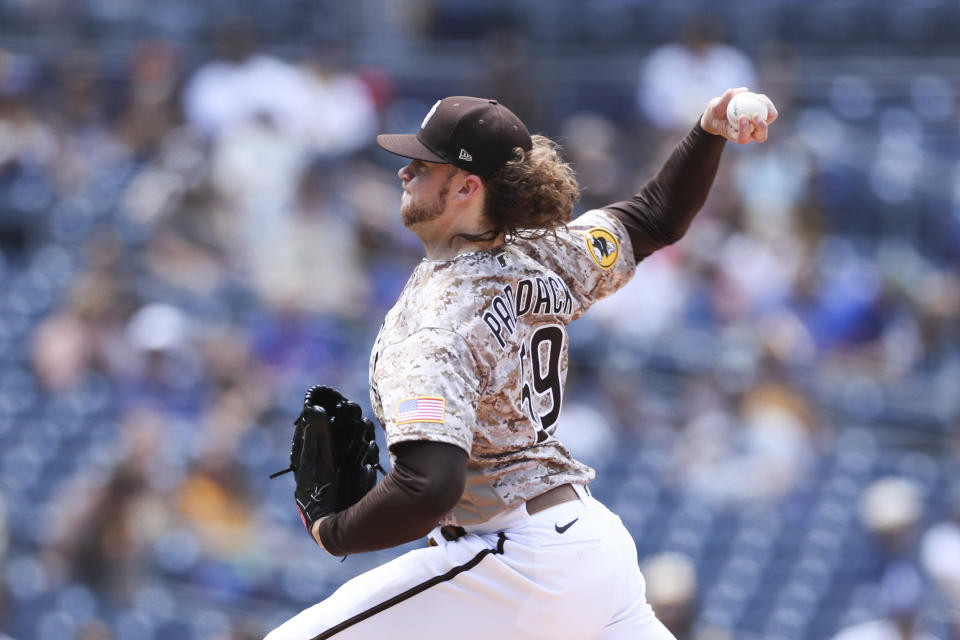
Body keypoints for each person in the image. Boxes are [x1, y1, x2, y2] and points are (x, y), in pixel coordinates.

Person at [265, 88, 777, 639]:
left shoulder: (438, 321)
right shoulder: (542, 253)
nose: (404, 172)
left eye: (422, 163)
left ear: (466, 186)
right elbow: (652, 218)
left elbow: (428, 486)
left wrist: (332, 530)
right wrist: (707, 132)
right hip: (591, 550)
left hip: (516, 560)